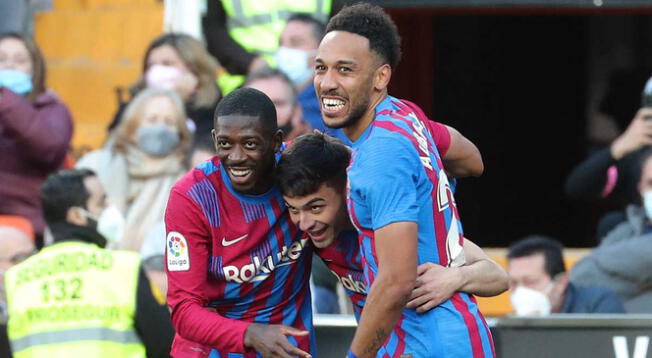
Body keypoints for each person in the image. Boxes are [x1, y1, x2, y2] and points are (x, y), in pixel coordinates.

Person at [315, 4, 492, 357]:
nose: (328, 83)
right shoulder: (405, 115)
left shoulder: (381, 154)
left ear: (380, 77)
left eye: (345, 70)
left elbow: (397, 282)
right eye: (321, 68)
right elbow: (472, 161)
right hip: (449, 331)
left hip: (427, 340)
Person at [276, 133, 509, 319]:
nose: (304, 223)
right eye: (294, 209)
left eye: (316, 208)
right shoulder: (315, 228)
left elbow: (498, 276)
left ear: (347, 190)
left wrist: (455, 278)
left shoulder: (395, 222)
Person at [165, 88, 313, 358]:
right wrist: (249, 333)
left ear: (276, 140)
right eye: (225, 144)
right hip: (208, 352)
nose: (236, 157)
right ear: (214, 139)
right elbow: (183, 309)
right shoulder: (192, 197)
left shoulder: (303, 173)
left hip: (287, 348)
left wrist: (415, 267)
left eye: (250, 144)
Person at [4, 169, 174, 358]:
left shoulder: (17, 278)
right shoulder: (124, 268)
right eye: (101, 203)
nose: (110, 209)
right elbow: (164, 343)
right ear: (77, 216)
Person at [77, 88, 192, 252]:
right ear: (132, 128)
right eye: (152, 120)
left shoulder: (186, 181)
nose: (161, 128)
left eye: (169, 122)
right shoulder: (94, 165)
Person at [0, 32, 73, 243]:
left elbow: (49, 148)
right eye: (2, 59)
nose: (9, 66)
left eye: (20, 60)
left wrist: (7, 101)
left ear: (35, 70)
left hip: (31, 226)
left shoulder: (52, 110)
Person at [571, 148, 652, 313]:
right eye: (651, 183)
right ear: (640, 188)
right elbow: (581, 278)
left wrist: (627, 274)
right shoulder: (622, 229)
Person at [202, 0, 332, 94]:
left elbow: (344, 23)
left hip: (312, 77)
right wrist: (250, 63)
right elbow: (213, 30)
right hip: (246, 81)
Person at [109, 33, 220, 141]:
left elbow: (201, 149)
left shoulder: (214, 110)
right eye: (151, 65)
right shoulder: (133, 105)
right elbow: (115, 143)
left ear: (194, 69)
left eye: (167, 63)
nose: (157, 71)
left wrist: (179, 100)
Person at [565, 107, 652, 239]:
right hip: (640, 240)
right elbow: (577, 188)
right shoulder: (638, 156)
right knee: (612, 223)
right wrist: (617, 149)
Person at [276, 13, 350, 145]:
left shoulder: (337, 102)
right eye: (281, 43)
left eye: (295, 42)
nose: (284, 50)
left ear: (321, 50)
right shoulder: (266, 92)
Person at [508, 235, 624, 315]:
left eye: (530, 282)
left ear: (561, 282)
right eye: (513, 284)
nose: (520, 291)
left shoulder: (598, 304)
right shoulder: (507, 325)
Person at [244, 67, 308, 141]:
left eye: (277, 104)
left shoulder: (318, 150)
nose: (266, 111)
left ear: (297, 110)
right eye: (256, 103)